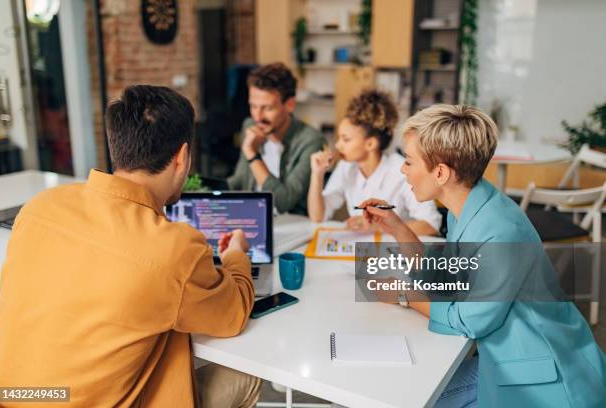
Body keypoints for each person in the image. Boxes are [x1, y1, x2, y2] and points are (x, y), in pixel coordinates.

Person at [0, 85, 262, 407]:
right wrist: (236, 258)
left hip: (9, 397)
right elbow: (231, 315)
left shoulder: (41, 206)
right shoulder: (173, 247)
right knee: (246, 374)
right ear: (182, 157)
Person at [361, 104, 605, 407]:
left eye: (409, 161)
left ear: (440, 172)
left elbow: (470, 320)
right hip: (512, 362)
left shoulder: (500, 231)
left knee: (410, 397)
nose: (402, 168)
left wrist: (402, 293)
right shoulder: (471, 204)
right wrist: (398, 229)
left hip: (548, 385)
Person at [308, 89, 441, 236]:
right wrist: (317, 174)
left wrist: (378, 227)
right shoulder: (346, 167)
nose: (338, 145)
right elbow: (318, 216)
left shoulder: (402, 170)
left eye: (346, 139)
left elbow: (431, 225)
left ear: (370, 144)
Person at [227, 63, 326, 215]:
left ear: (290, 105)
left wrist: (252, 155)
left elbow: (283, 202)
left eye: (267, 108)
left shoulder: (311, 140)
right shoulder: (250, 125)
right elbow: (240, 180)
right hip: (253, 217)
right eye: (253, 106)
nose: (258, 117)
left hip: (292, 224)